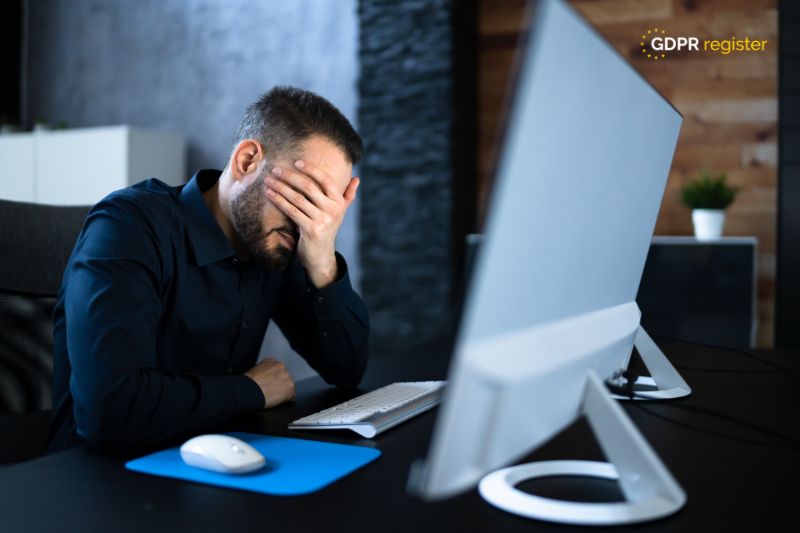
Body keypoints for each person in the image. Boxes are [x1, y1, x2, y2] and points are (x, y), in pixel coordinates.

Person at [48, 86, 369, 452]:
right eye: (304, 198)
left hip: (211, 461)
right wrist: (251, 390)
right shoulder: (127, 227)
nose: (311, 222)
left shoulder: (280, 244)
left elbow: (347, 370)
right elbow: (110, 412)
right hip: (96, 480)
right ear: (247, 161)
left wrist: (323, 259)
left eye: (325, 209)